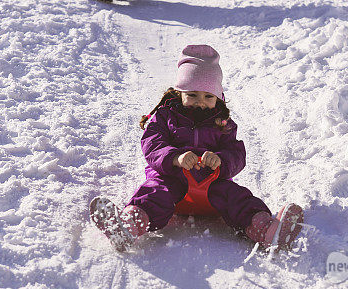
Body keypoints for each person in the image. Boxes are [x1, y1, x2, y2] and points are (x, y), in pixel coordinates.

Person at [90, 44, 303, 251]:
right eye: (192, 95)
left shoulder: (223, 123)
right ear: (179, 92)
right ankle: (129, 226)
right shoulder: (165, 117)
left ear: (218, 97)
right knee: (154, 192)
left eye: (208, 96)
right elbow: (152, 143)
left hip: (212, 186)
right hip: (172, 180)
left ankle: (264, 229)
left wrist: (221, 160)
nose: (200, 102)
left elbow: (237, 153)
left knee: (237, 197)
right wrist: (174, 158)